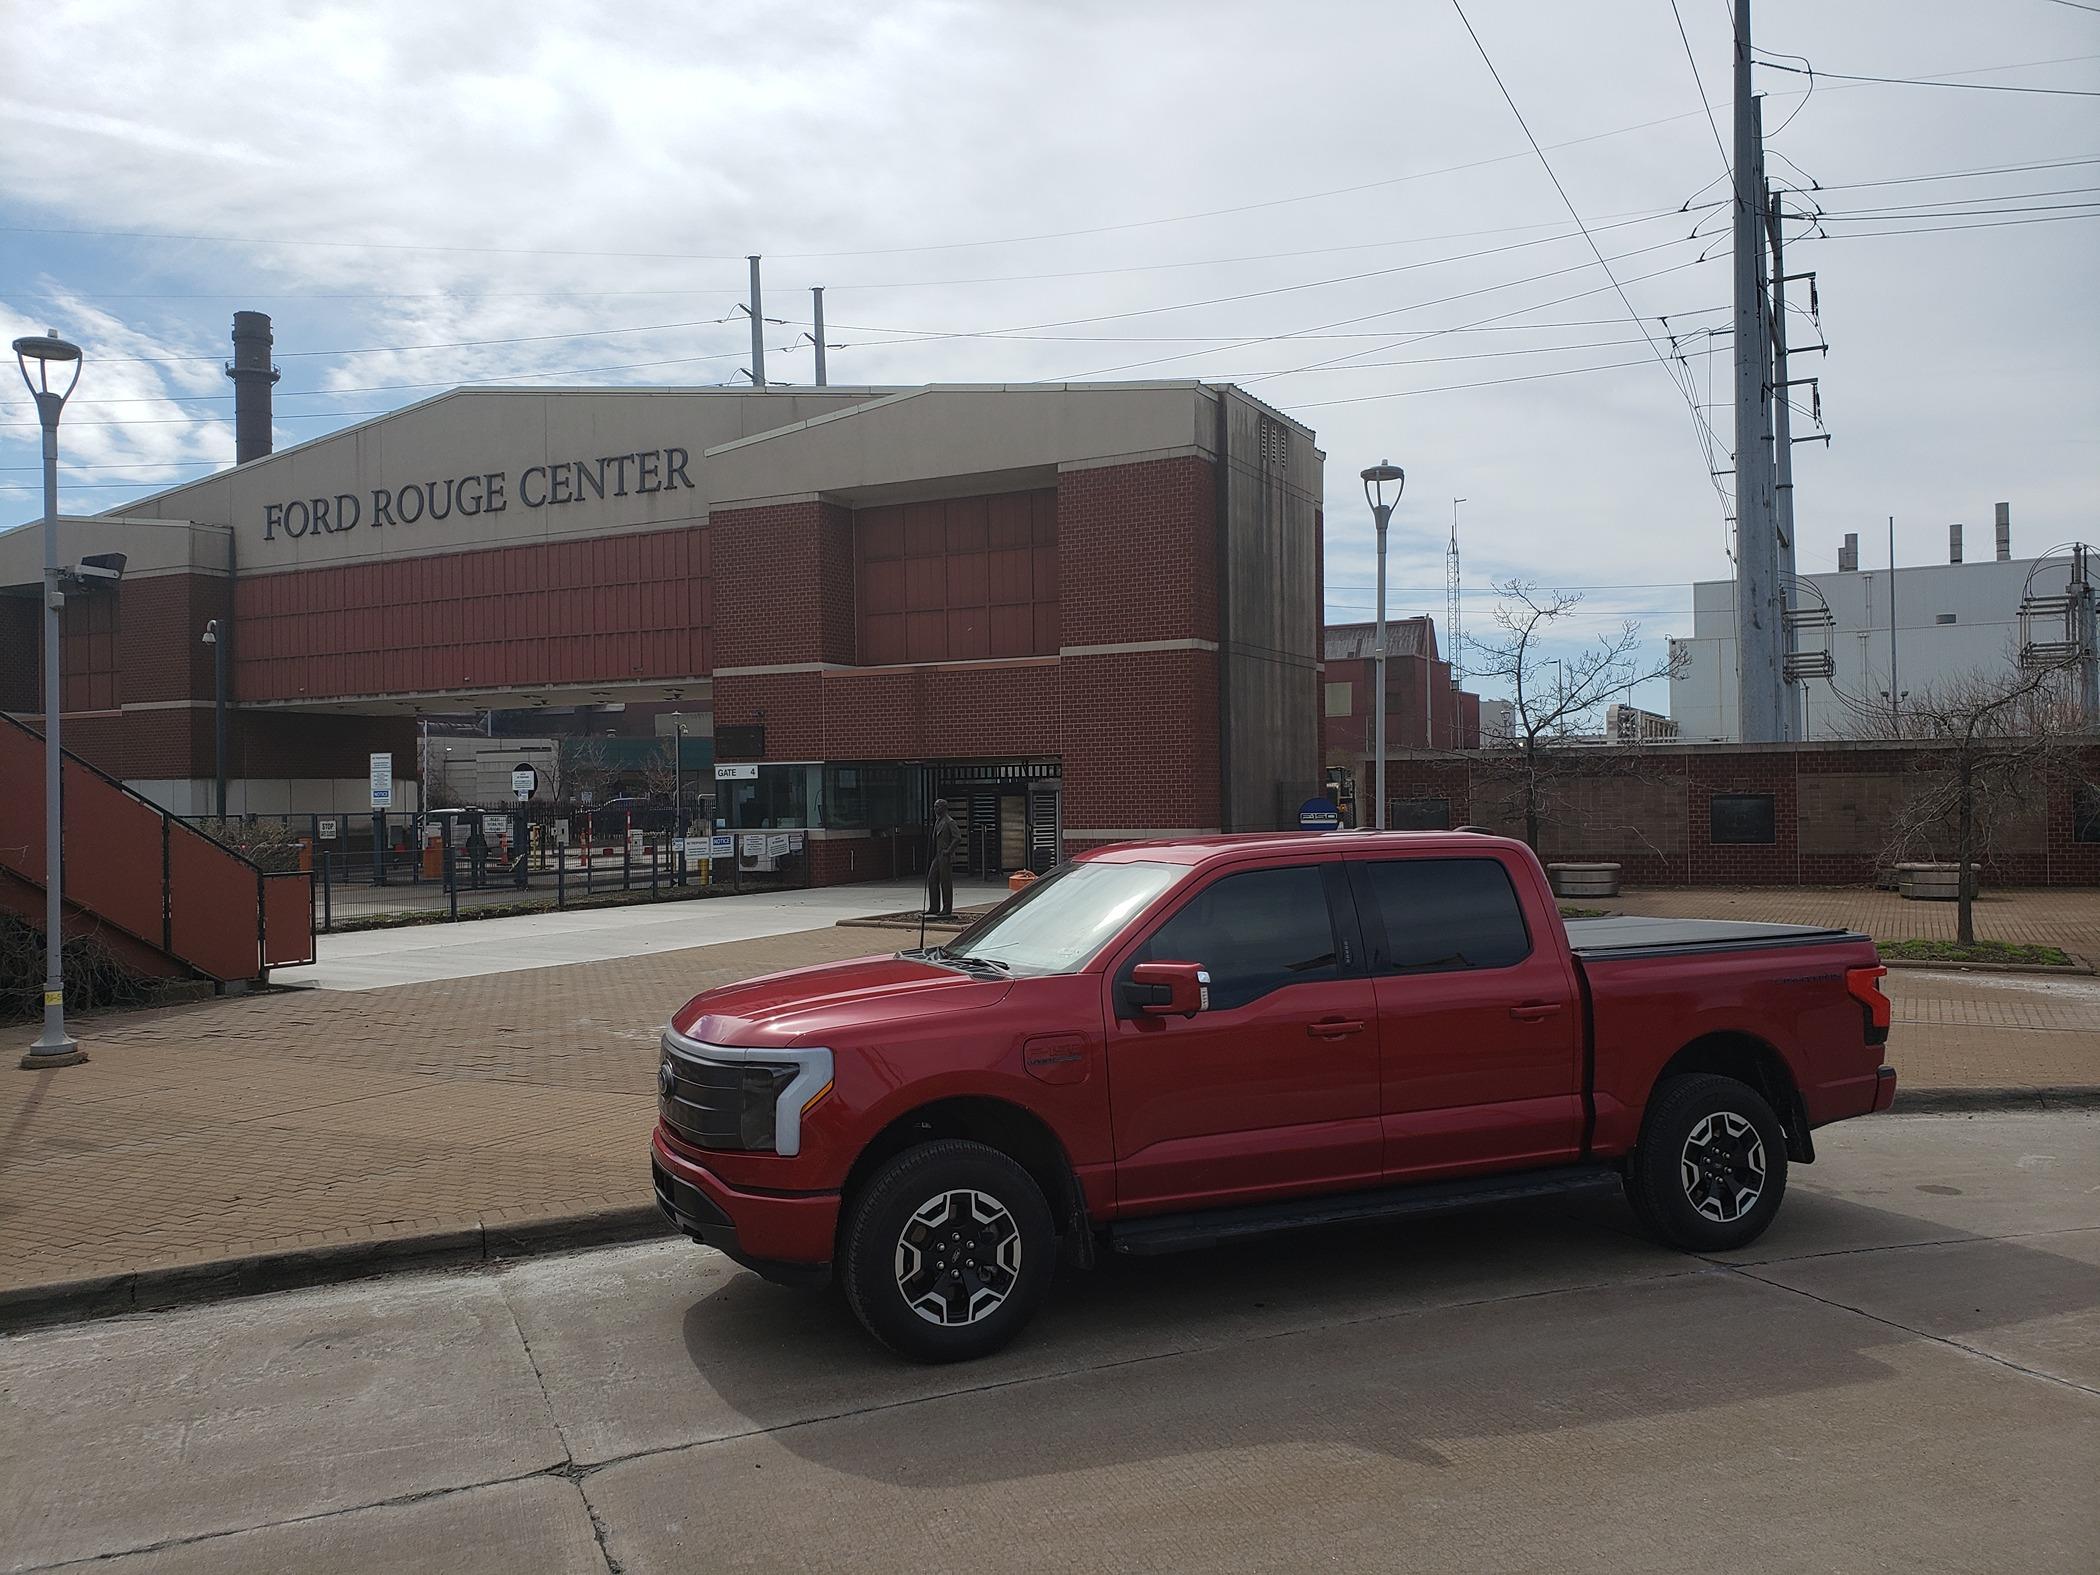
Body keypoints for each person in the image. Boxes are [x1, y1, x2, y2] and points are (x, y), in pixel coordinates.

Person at [927, 798, 962, 918]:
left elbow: (957, 838)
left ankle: (947, 908)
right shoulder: (938, 821)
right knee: (932, 879)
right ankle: (934, 907)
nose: (935, 809)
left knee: (945, 882)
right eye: (934, 806)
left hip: (945, 856)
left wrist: (948, 851)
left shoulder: (949, 821)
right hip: (937, 856)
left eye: (937, 807)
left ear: (944, 808)